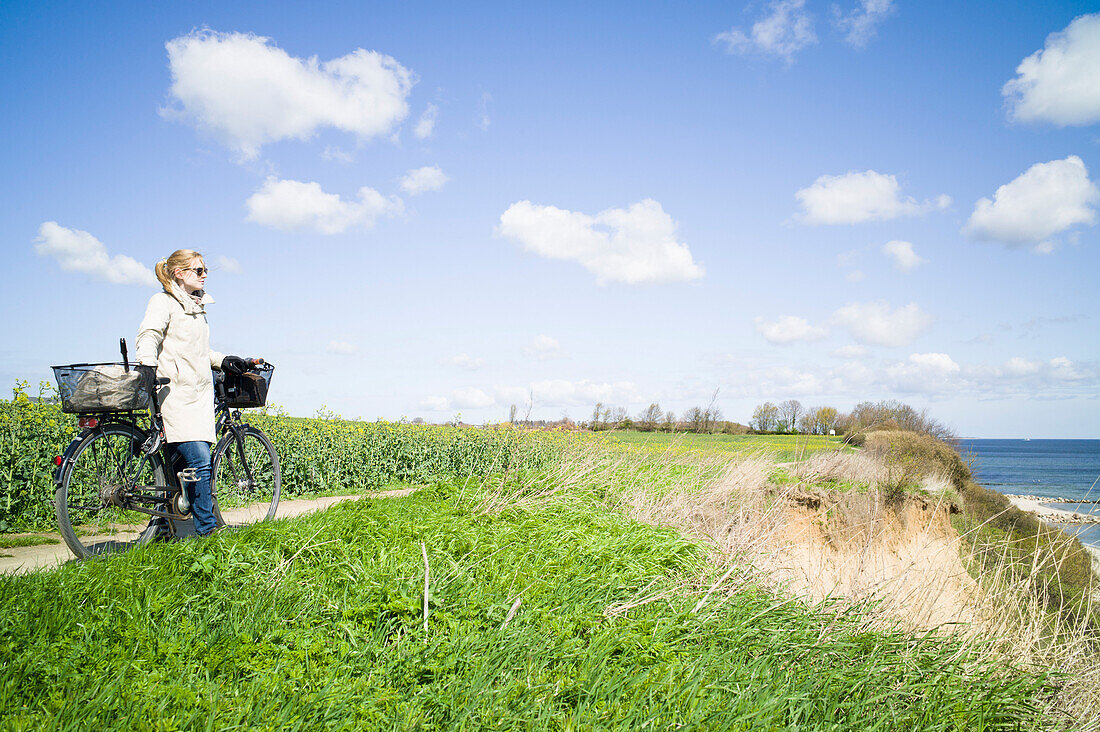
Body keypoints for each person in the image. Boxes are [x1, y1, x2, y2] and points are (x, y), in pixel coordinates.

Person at [135, 249, 249, 537]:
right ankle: (207, 532)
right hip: (175, 393)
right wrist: (147, 365)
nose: (205, 275)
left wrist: (222, 360)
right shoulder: (164, 302)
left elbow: (196, 351)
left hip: (196, 394)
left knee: (180, 463)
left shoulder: (196, 308)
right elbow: (149, 334)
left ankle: (164, 526)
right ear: (179, 274)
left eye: (204, 269)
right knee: (199, 459)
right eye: (199, 270)